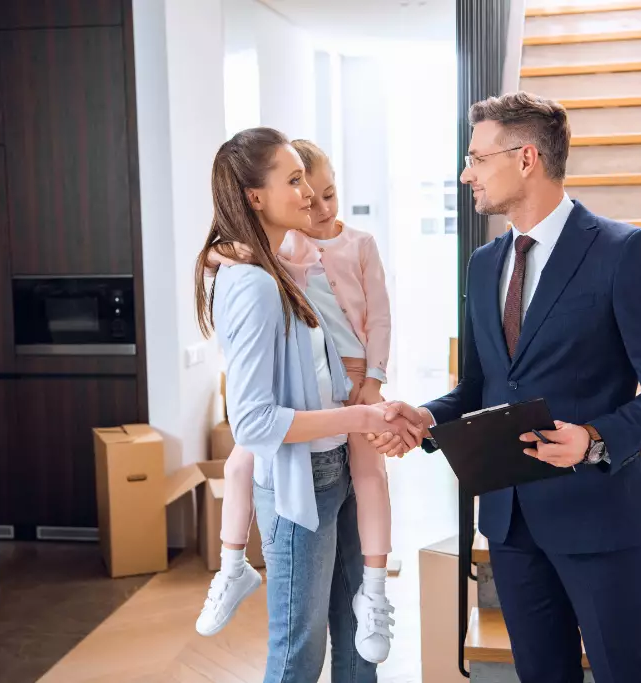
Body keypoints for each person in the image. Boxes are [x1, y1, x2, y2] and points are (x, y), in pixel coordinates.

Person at [393, 92, 641, 682]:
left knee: (624, 673)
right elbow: (483, 385)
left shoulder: (624, 251)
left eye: (477, 158)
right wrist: (427, 419)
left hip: (597, 516)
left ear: (526, 157)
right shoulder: (484, 263)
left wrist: (594, 438)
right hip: (509, 520)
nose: (467, 174)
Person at [193, 127, 420, 683]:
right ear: (256, 197)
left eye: (314, 182)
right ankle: (232, 566)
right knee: (298, 656)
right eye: (293, 181)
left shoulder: (279, 268)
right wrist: (363, 417)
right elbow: (252, 421)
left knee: (355, 648)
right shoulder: (254, 284)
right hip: (302, 479)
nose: (310, 195)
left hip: (332, 462)